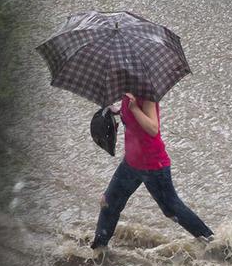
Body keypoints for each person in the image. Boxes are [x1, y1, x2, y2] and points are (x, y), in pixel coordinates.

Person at [91, 92, 214, 250]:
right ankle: (98, 250)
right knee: (109, 203)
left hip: (153, 165)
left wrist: (134, 109)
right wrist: (115, 110)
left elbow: (153, 128)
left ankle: (213, 244)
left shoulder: (146, 94)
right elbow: (129, 116)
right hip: (131, 163)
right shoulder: (126, 92)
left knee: (171, 209)